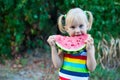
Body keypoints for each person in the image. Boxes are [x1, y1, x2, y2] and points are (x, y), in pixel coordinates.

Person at [47, 8, 97, 80]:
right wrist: (53, 48)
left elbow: (91, 68)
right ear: (67, 29)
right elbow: (57, 65)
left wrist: (89, 51)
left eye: (81, 26)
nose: (77, 31)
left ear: (87, 25)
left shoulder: (89, 46)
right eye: (73, 27)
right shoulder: (64, 48)